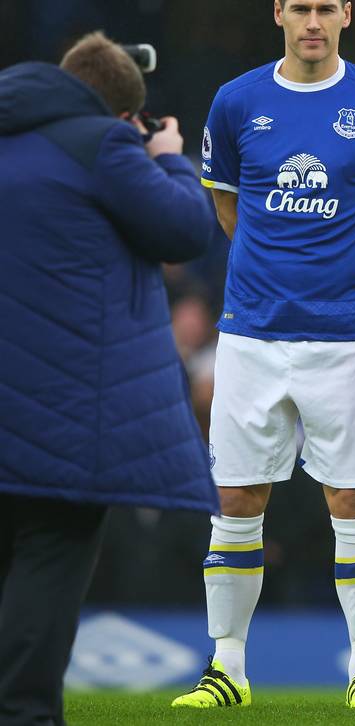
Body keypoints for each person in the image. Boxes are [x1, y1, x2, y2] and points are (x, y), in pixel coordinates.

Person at [172, 0, 355, 709]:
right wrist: (271, 265)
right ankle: (228, 668)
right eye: (300, 7)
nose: (313, 20)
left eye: (326, 8)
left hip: (345, 336)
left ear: (346, 14)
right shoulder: (236, 101)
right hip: (252, 331)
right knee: (236, 497)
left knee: (354, 498)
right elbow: (227, 205)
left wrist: (345, 275)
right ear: (279, 12)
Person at [0, 32, 219, 726]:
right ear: (124, 112)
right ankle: (25, 713)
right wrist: (169, 159)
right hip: (62, 409)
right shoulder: (101, 143)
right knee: (51, 554)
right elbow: (186, 230)